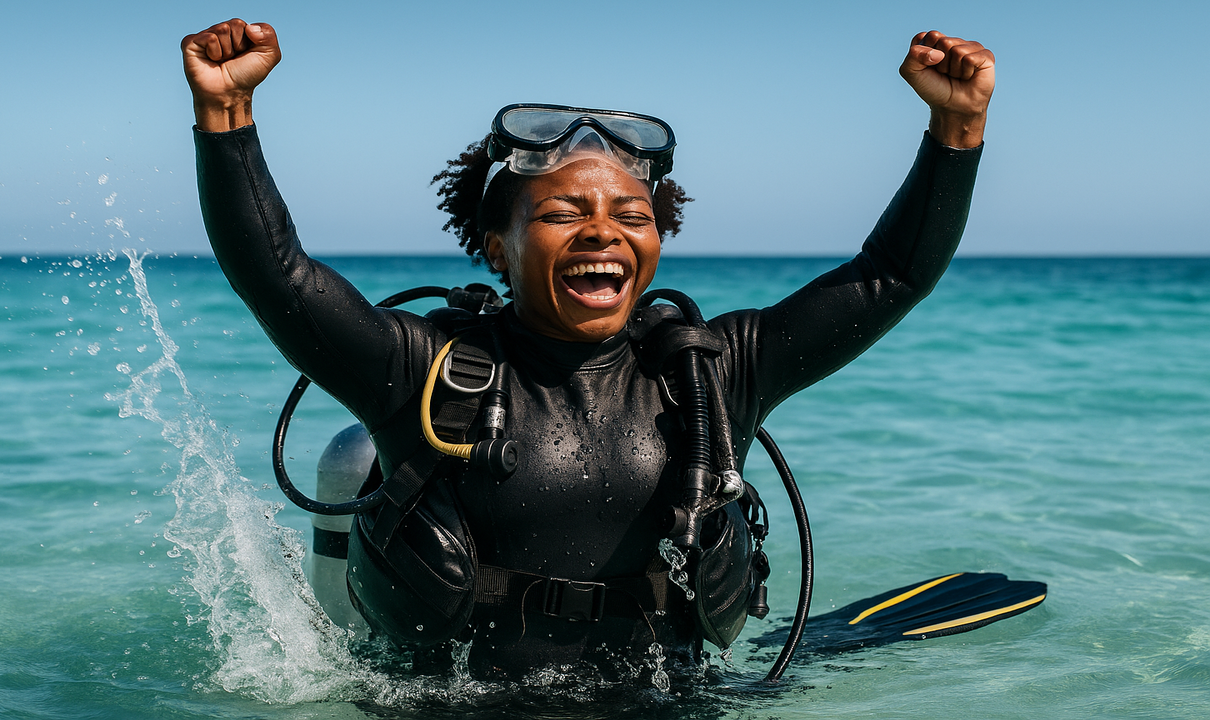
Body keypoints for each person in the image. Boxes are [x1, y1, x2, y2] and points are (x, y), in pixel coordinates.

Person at [181, 19, 994, 681]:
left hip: (669, 707)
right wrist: (227, 120)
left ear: (657, 241)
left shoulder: (717, 371)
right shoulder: (420, 371)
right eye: (564, 212)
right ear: (497, 248)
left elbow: (889, 276)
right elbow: (277, 276)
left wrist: (955, 129)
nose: (604, 230)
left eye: (632, 217)